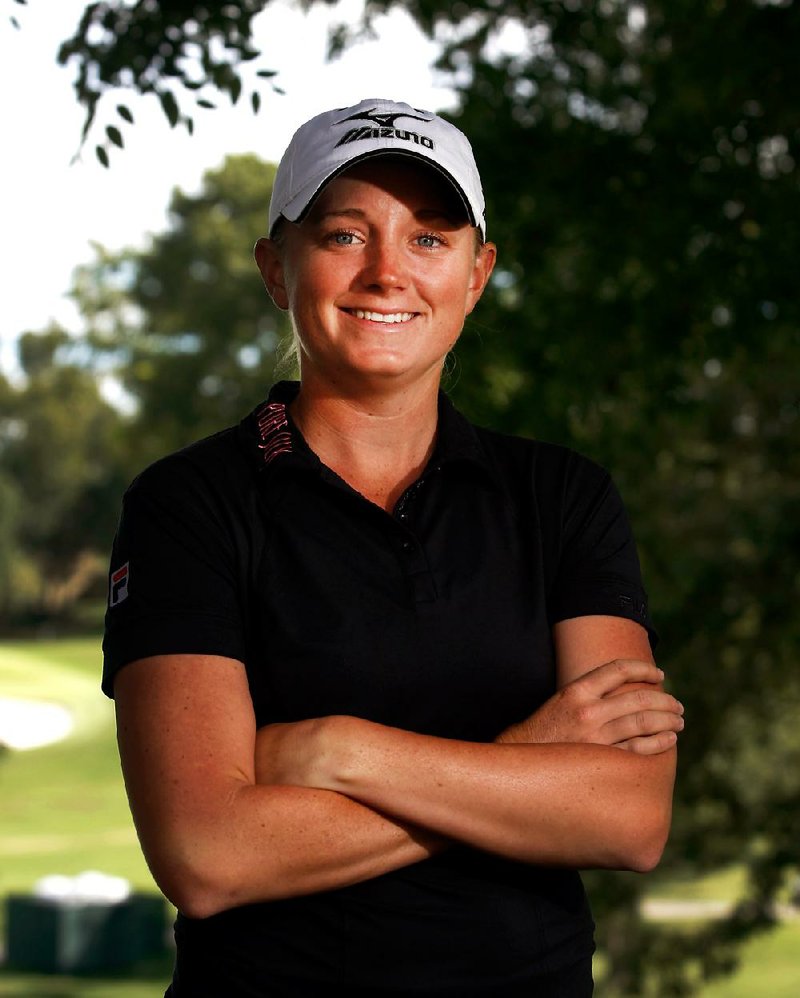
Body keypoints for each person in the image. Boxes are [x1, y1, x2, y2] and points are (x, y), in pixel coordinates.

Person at [102, 97, 683, 997]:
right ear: (273, 266)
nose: (386, 273)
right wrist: (530, 762)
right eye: (343, 235)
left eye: (429, 239)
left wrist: (340, 749)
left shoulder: (564, 497)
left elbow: (629, 817)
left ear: (478, 272)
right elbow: (208, 854)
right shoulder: (190, 506)